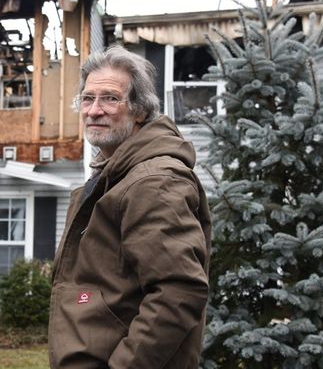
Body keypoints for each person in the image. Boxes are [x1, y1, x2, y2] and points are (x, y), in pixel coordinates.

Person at [48, 45, 212, 368]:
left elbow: (178, 292)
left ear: (139, 111)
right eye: (87, 98)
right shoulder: (114, 176)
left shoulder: (153, 181)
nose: (95, 110)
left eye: (110, 98)